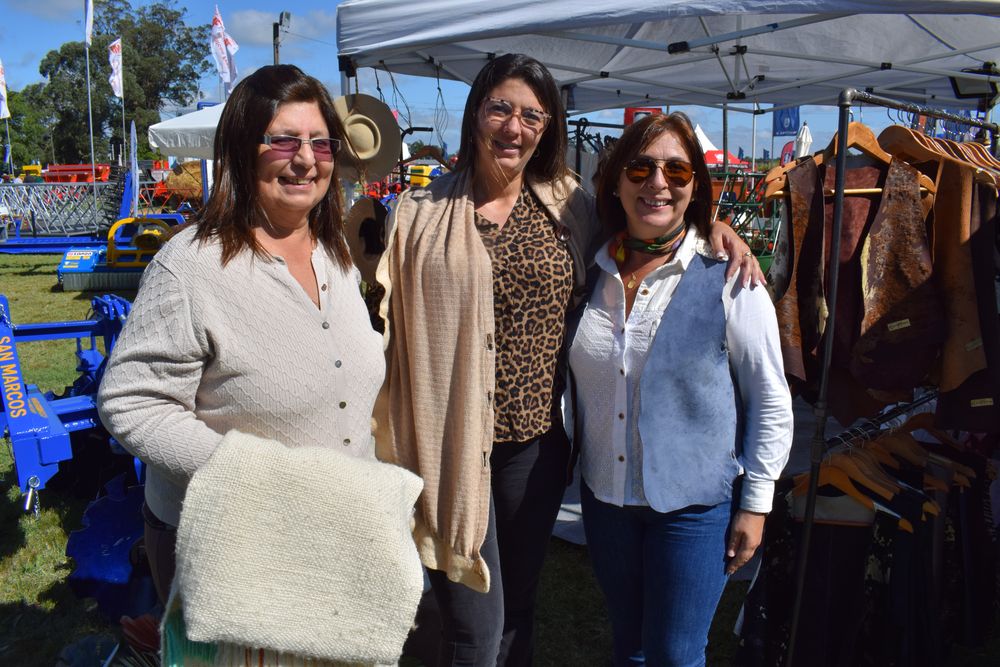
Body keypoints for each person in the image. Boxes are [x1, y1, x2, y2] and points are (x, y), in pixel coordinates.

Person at [373, 54, 763, 666]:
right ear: (476, 112)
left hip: (536, 447)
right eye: (501, 107)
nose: (514, 126)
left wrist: (715, 229)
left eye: (533, 114)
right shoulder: (420, 215)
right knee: (472, 618)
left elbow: (648, 220)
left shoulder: (568, 205)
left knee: (519, 605)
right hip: (448, 443)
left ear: (548, 127)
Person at [97, 64, 384, 605]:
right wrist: (258, 479)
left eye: (321, 145)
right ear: (241, 148)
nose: (305, 159)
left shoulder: (335, 253)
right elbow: (132, 403)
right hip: (230, 547)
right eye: (284, 141)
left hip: (338, 532)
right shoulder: (191, 267)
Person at [568, 112, 793, 666]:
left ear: (695, 186)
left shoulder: (730, 278)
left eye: (677, 169)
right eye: (640, 168)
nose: (658, 182)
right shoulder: (588, 266)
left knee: (675, 654)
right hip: (606, 498)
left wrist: (757, 504)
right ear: (616, 179)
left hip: (693, 509)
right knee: (631, 645)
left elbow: (769, 398)